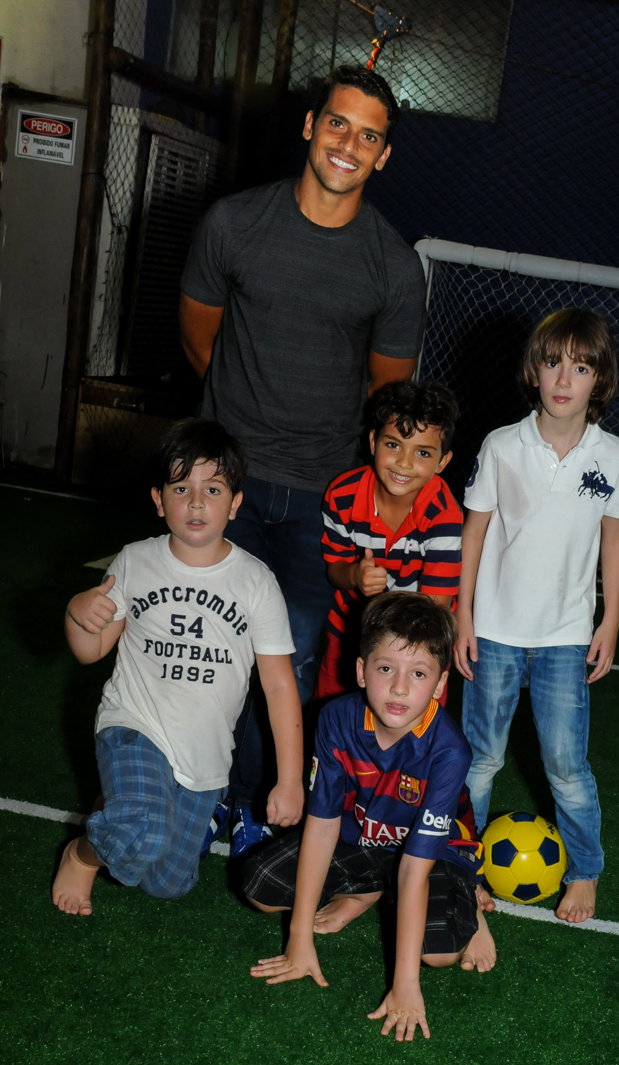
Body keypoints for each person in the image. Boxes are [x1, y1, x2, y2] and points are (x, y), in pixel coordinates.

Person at [179, 64, 427, 851]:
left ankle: (252, 801)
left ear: (383, 156)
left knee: (284, 652)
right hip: (230, 487)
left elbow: (387, 397)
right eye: (338, 124)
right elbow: (199, 338)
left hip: (324, 500)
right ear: (310, 125)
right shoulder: (233, 223)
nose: (349, 144)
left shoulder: (391, 264)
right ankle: (193, 790)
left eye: (369, 135)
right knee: (202, 644)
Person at [52, 419, 303, 916]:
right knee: (142, 827)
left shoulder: (256, 582)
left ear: (234, 504)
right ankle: (82, 854)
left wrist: (290, 779)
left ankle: (117, 814)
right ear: (157, 499)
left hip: (205, 756)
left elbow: (278, 688)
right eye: (180, 488)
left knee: (167, 882)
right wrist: (77, 613)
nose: (195, 502)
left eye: (212, 490)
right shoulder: (134, 561)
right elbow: (89, 650)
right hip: (134, 724)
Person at [244, 593, 497, 1044]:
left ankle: (471, 899)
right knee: (260, 887)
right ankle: (370, 891)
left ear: (439, 686)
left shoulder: (448, 749)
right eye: (386, 669)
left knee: (437, 954)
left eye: (418, 674)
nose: (399, 687)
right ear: (361, 671)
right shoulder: (336, 719)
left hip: (431, 855)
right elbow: (321, 826)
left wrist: (405, 986)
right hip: (364, 839)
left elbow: (416, 870)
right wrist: (299, 939)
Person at [454, 308, 619, 932]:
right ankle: (463, 868)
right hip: (497, 631)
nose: (564, 378)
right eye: (553, 362)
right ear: (535, 370)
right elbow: (473, 533)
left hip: (565, 636)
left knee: (566, 764)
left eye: (580, 366)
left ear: (599, 379)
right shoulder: (502, 444)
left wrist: (609, 620)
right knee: (480, 758)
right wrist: (464, 614)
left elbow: (614, 541)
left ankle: (584, 868)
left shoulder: (613, 456)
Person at [317, 379, 462, 701]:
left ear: (442, 462)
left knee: (415, 737)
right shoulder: (342, 494)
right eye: (393, 444)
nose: (404, 462)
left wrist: (395, 661)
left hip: (417, 644)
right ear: (373, 441)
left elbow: (436, 607)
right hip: (349, 635)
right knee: (336, 721)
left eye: (422, 452)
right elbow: (334, 569)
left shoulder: (444, 515)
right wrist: (354, 575)